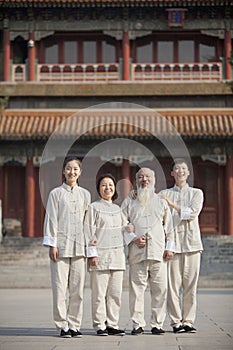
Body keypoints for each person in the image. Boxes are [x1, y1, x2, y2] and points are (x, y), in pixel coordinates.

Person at [121, 167, 175, 335]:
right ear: (136, 180)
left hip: (158, 253)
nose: (144, 179)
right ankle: (137, 324)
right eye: (141, 177)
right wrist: (133, 238)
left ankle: (157, 324)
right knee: (136, 290)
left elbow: (170, 227)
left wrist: (170, 248)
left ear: (154, 180)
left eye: (148, 177)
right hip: (137, 253)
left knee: (160, 290)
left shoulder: (161, 201)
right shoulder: (129, 201)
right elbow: (121, 224)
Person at [43, 155, 91, 338]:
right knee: (60, 288)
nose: (72, 172)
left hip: (80, 248)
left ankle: (75, 325)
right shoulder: (55, 194)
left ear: (80, 172)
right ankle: (62, 325)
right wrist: (52, 244)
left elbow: (88, 223)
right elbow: (51, 219)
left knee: (77, 290)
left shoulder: (85, 195)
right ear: (63, 171)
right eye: (69, 168)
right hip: (61, 247)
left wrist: (90, 247)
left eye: (75, 169)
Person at [159, 158, 204, 334]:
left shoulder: (196, 193)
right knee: (172, 286)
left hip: (192, 244)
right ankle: (176, 321)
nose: (180, 171)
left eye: (183, 168)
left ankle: (189, 321)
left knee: (190, 286)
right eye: (177, 168)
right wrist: (135, 194)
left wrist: (171, 205)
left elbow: (192, 214)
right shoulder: (163, 193)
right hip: (172, 246)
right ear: (172, 173)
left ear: (188, 172)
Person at [84, 173, 132, 336]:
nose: (107, 188)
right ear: (99, 188)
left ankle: (112, 323)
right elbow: (88, 231)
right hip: (100, 256)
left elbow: (125, 230)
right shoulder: (94, 207)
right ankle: (99, 325)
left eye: (110, 185)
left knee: (115, 294)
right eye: (104, 185)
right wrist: (92, 254)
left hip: (117, 257)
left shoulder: (118, 209)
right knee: (99, 294)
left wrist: (130, 230)